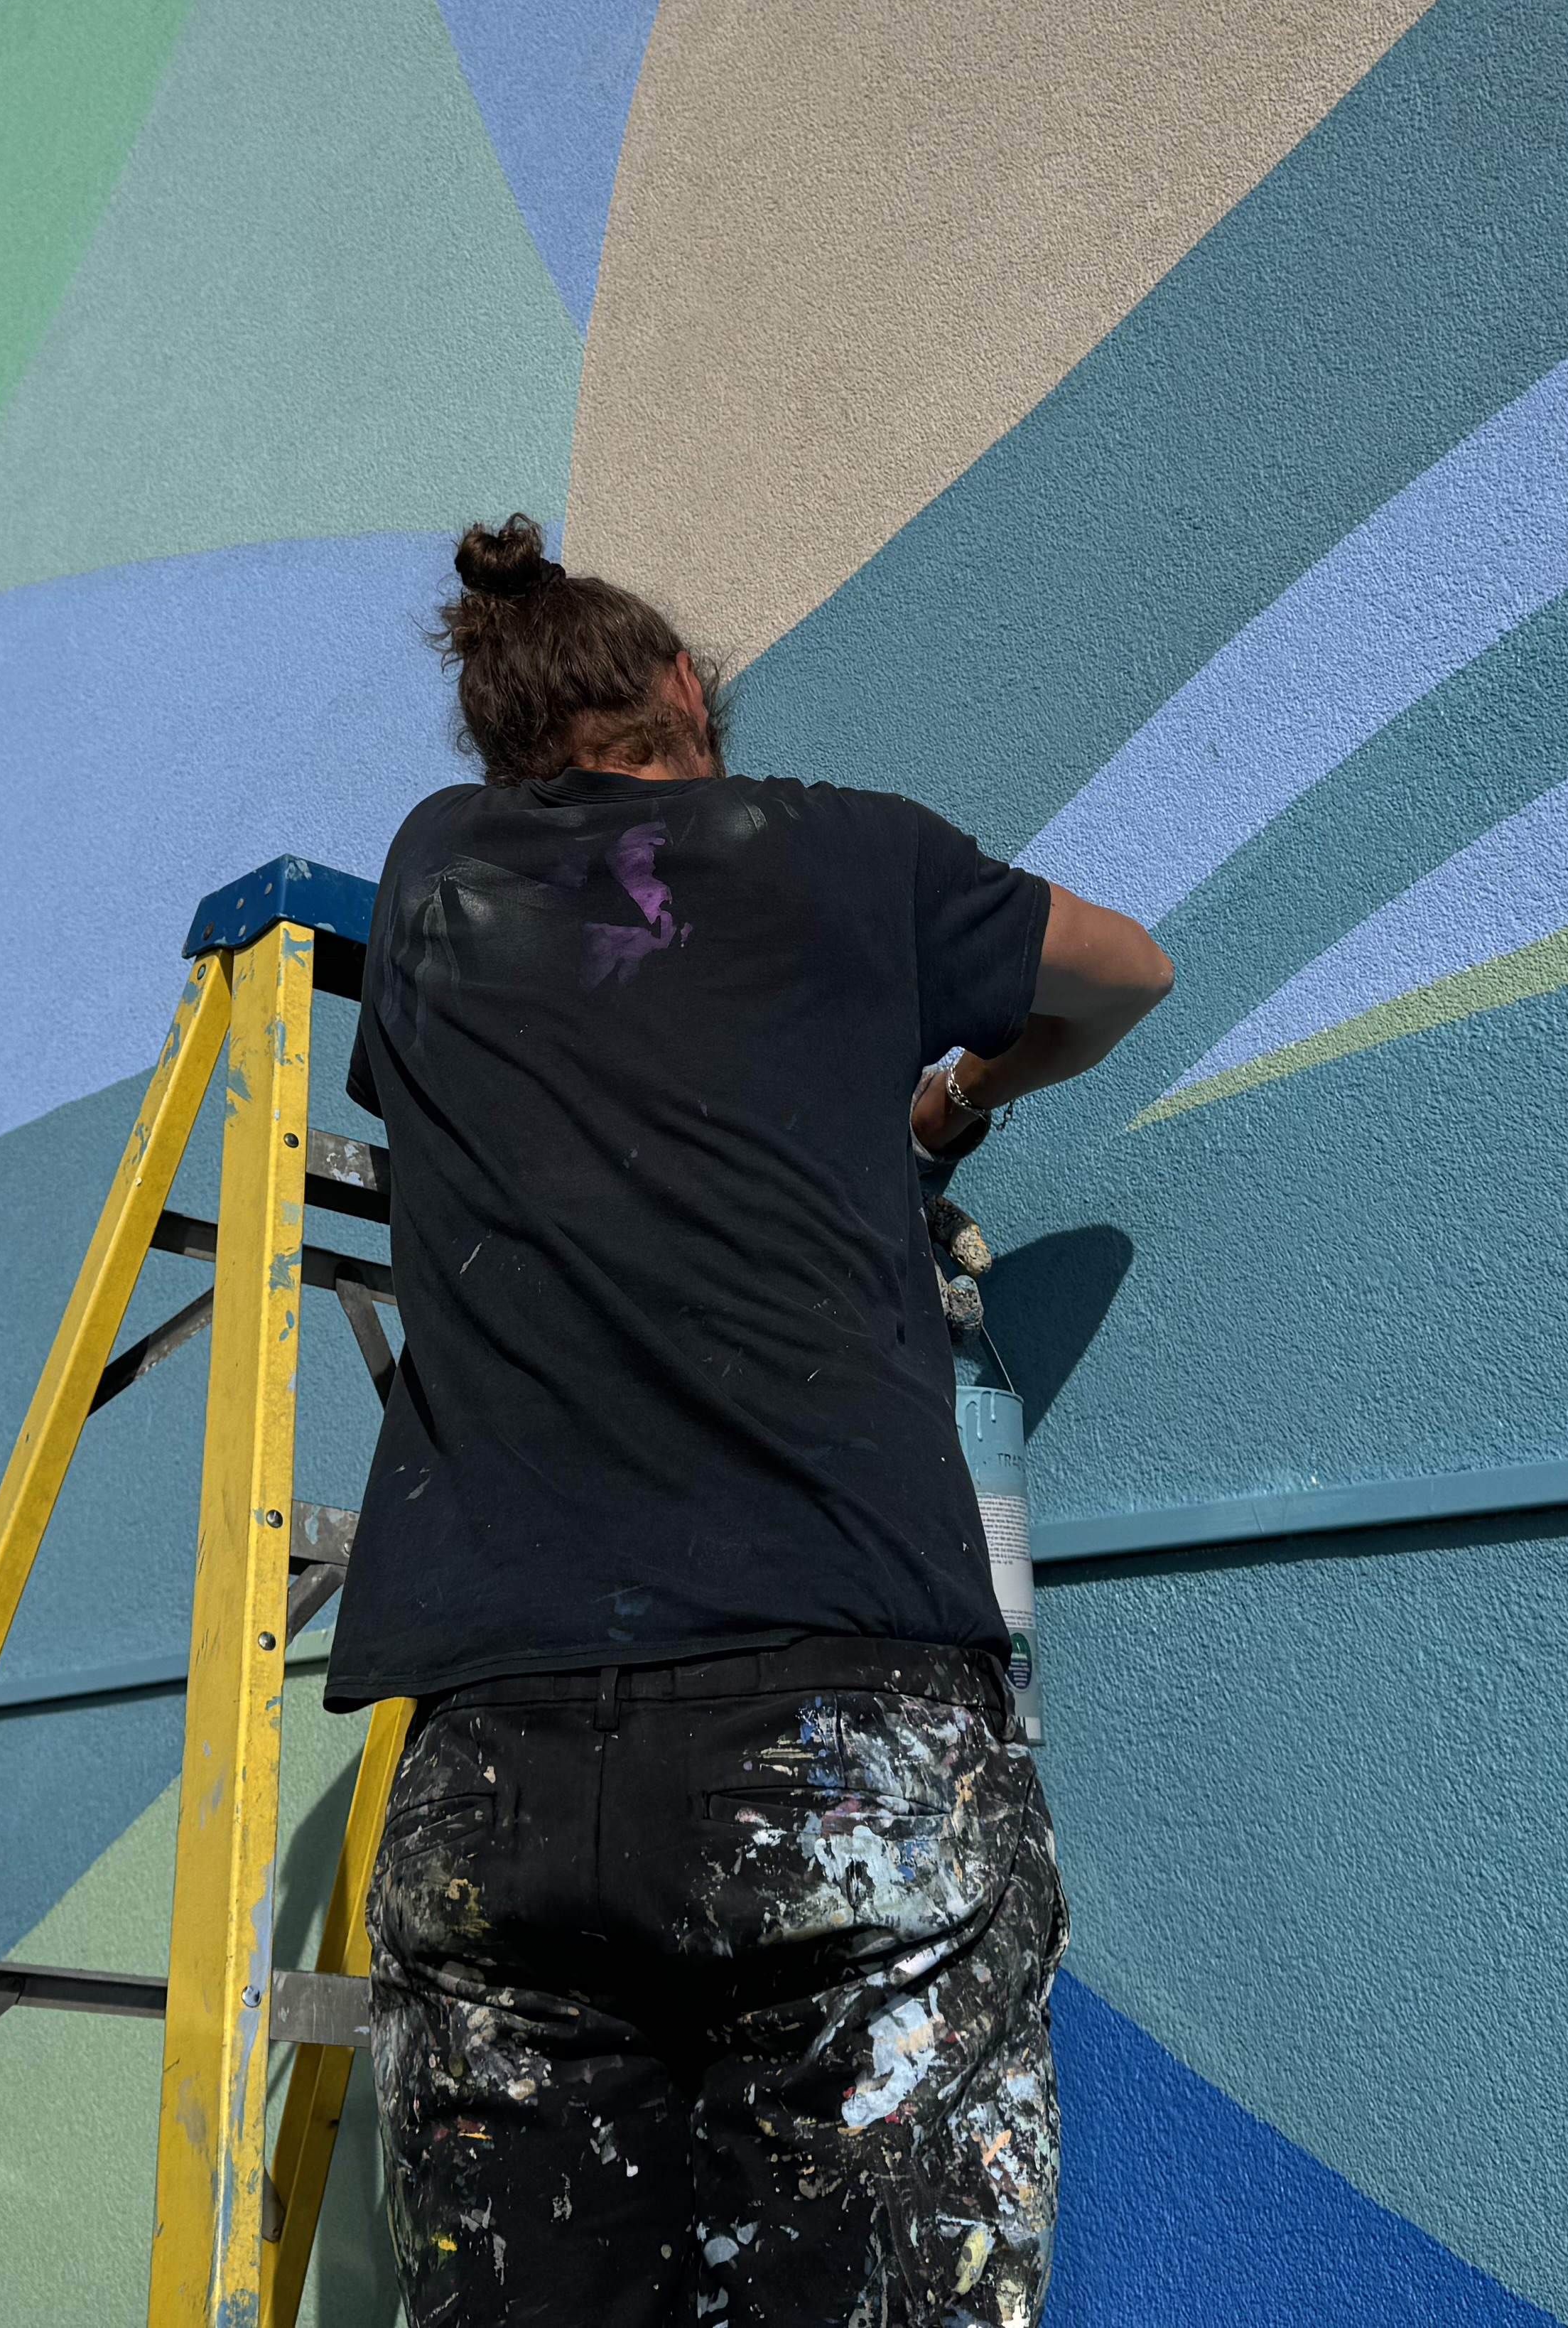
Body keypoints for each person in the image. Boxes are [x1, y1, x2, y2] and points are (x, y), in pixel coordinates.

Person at [328, 514, 1175, 2328]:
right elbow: (1125, 973)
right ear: (687, 692)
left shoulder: (427, 880)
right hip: (832, 1718)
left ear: (505, 736)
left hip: (500, 1759)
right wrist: (955, 1092)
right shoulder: (840, 851)